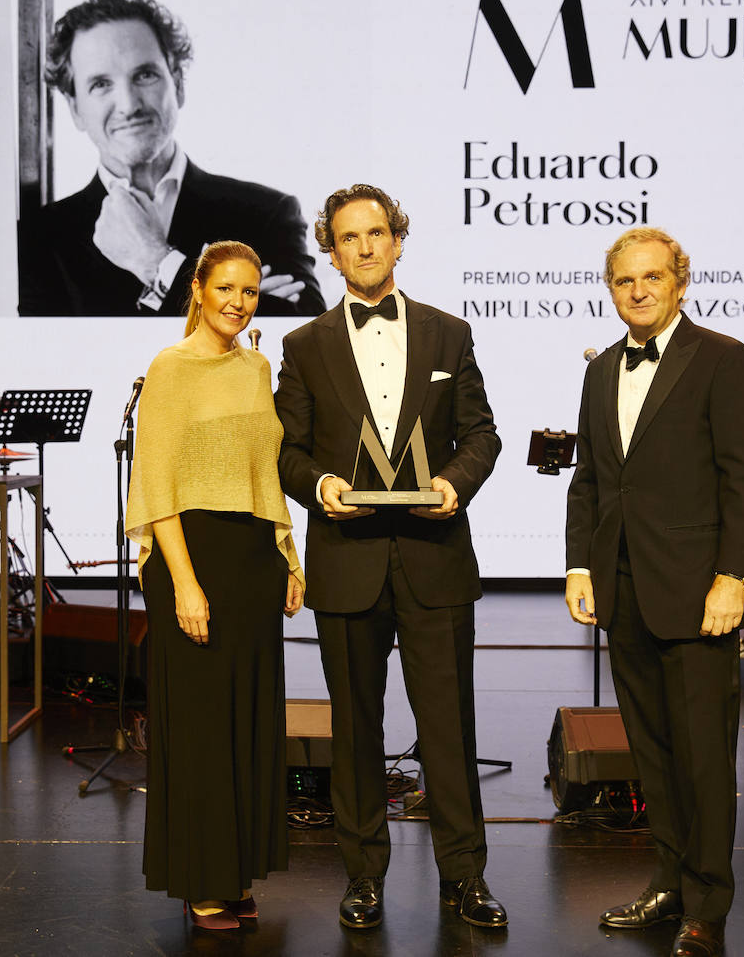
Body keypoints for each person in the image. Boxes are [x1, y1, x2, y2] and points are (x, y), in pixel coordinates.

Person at [274, 184, 507, 930]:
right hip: (346, 560)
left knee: (450, 727)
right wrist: (320, 485)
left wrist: (454, 483)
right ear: (331, 250)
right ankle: (363, 875)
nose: (366, 247)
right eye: (350, 237)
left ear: (399, 241)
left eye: (378, 233)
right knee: (356, 730)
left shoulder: (449, 333)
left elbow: (482, 435)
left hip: (435, 553)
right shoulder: (303, 346)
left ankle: (465, 877)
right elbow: (288, 452)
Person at [564, 227, 744, 957]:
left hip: (697, 591)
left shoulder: (724, 360)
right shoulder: (600, 373)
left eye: (653, 277)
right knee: (652, 753)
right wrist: (580, 567)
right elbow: (591, 481)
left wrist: (733, 577)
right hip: (622, 589)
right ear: (612, 289)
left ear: (680, 281)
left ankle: (708, 905)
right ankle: (670, 881)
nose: (639, 291)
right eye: (626, 281)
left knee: (704, 757)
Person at [125, 240, 305, 930]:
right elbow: (158, 484)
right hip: (191, 556)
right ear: (197, 289)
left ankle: (233, 872)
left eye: (250, 292)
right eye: (225, 287)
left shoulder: (258, 366)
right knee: (200, 728)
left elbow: (263, 470)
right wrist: (183, 584)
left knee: (246, 724)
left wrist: (288, 554)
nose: (237, 302)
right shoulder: (169, 368)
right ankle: (202, 880)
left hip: (252, 558)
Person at [19, 0, 324, 317]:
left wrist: (158, 262)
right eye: (101, 84)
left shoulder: (266, 214)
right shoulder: (38, 239)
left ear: (177, 85)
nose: (129, 105)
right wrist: (234, 301)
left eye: (145, 75)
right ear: (76, 109)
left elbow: (303, 346)